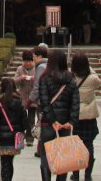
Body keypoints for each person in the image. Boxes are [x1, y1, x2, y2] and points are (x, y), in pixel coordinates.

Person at [38, 49, 80, 181]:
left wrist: (52, 120)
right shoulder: (70, 78)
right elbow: (75, 103)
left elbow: (44, 103)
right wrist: (72, 121)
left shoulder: (45, 78)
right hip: (65, 123)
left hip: (49, 124)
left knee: (45, 156)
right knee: (64, 157)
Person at [0, 77, 29, 181]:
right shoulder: (19, 102)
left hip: (3, 138)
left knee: (5, 163)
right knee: (10, 162)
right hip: (15, 137)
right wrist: (23, 132)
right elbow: (25, 121)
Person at [70, 53, 101, 181]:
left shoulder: (71, 78)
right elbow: (99, 83)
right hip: (89, 115)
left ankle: (75, 174)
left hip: (76, 114)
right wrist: (89, 68)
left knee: (76, 146)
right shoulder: (92, 78)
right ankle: (88, 175)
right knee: (89, 144)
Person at [28, 44, 49, 156]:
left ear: (40, 56)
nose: (33, 59)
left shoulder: (41, 67)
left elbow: (37, 86)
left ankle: (41, 150)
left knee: (42, 124)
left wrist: (30, 100)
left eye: (34, 56)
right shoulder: (49, 64)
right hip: (50, 99)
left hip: (42, 100)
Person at [13, 50, 36, 146]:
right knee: (21, 119)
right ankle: (20, 138)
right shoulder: (20, 69)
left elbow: (40, 82)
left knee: (31, 119)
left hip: (33, 99)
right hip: (22, 97)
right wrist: (20, 78)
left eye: (29, 61)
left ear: (32, 61)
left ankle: (29, 137)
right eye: (25, 61)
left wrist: (33, 79)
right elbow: (14, 82)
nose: (27, 63)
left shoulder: (36, 69)